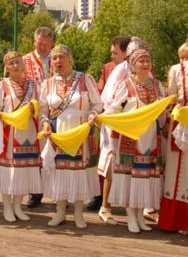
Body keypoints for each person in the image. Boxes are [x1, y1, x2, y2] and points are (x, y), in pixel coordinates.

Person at [39, 45, 102, 229]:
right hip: (58, 135)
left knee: (79, 173)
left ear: (70, 59)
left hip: (80, 133)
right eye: (55, 58)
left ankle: (78, 213)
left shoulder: (84, 78)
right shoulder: (48, 84)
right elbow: (43, 110)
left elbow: (98, 104)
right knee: (60, 173)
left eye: (61, 57)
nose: (58, 61)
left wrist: (93, 114)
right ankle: (59, 212)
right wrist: (44, 123)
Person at [106, 47, 166, 233]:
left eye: (148, 61)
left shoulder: (157, 85)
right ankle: (131, 213)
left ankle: (140, 214)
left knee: (145, 176)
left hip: (150, 138)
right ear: (133, 65)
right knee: (132, 176)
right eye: (141, 61)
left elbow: (162, 109)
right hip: (131, 138)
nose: (146, 64)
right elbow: (114, 108)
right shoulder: (126, 84)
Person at [0, 51, 41, 222]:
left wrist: (35, 109)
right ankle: (7, 206)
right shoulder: (4, 85)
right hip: (9, 132)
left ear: (23, 64)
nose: (15, 66)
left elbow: (40, 105)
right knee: (8, 170)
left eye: (17, 62)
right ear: (6, 67)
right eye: (11, 63)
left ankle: (18, 206)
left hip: (28, 131)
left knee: (23, 170)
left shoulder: (33, 85)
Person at [91, 36, 130, 218]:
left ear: (126, 52)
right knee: (109, 161)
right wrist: (99, 113)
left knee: (131, 163)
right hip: (112, 119)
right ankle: (104, 204)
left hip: (131, 124)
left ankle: (136, 206)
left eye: (115, 52)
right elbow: (102, 94)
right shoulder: (109, 68)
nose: (112, 55)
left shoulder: (142, 67)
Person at [23, 26, 55, 208]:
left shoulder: (58, 59)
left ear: (51, 43)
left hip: (56, 110)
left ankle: (59, 193)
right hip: (32, 113)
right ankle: (35, 192)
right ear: (34, 42)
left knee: (56, 151)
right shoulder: (25, 60)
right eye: (39, 43)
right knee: (33, 151)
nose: (42, 47)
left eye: (45, 43)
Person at [159, 41, 188, 234]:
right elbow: (171, 97)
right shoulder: (177, 70)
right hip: (181, 123)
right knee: (177, 169)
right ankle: (174, 220)